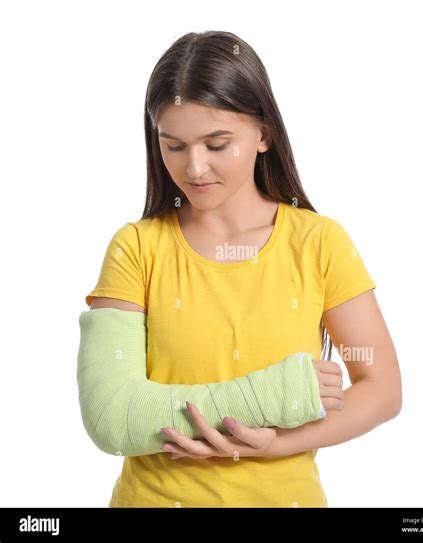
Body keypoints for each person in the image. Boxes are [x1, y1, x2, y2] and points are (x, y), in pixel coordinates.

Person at [84, 30, 402, 507]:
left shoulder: (318, 242)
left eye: (216, 144)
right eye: (173, 145)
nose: (194, 168)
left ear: (263, 134)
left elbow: (382, 388)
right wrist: (271, 395)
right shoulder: (135, 248)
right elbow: (112, 417)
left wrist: (279, 441)